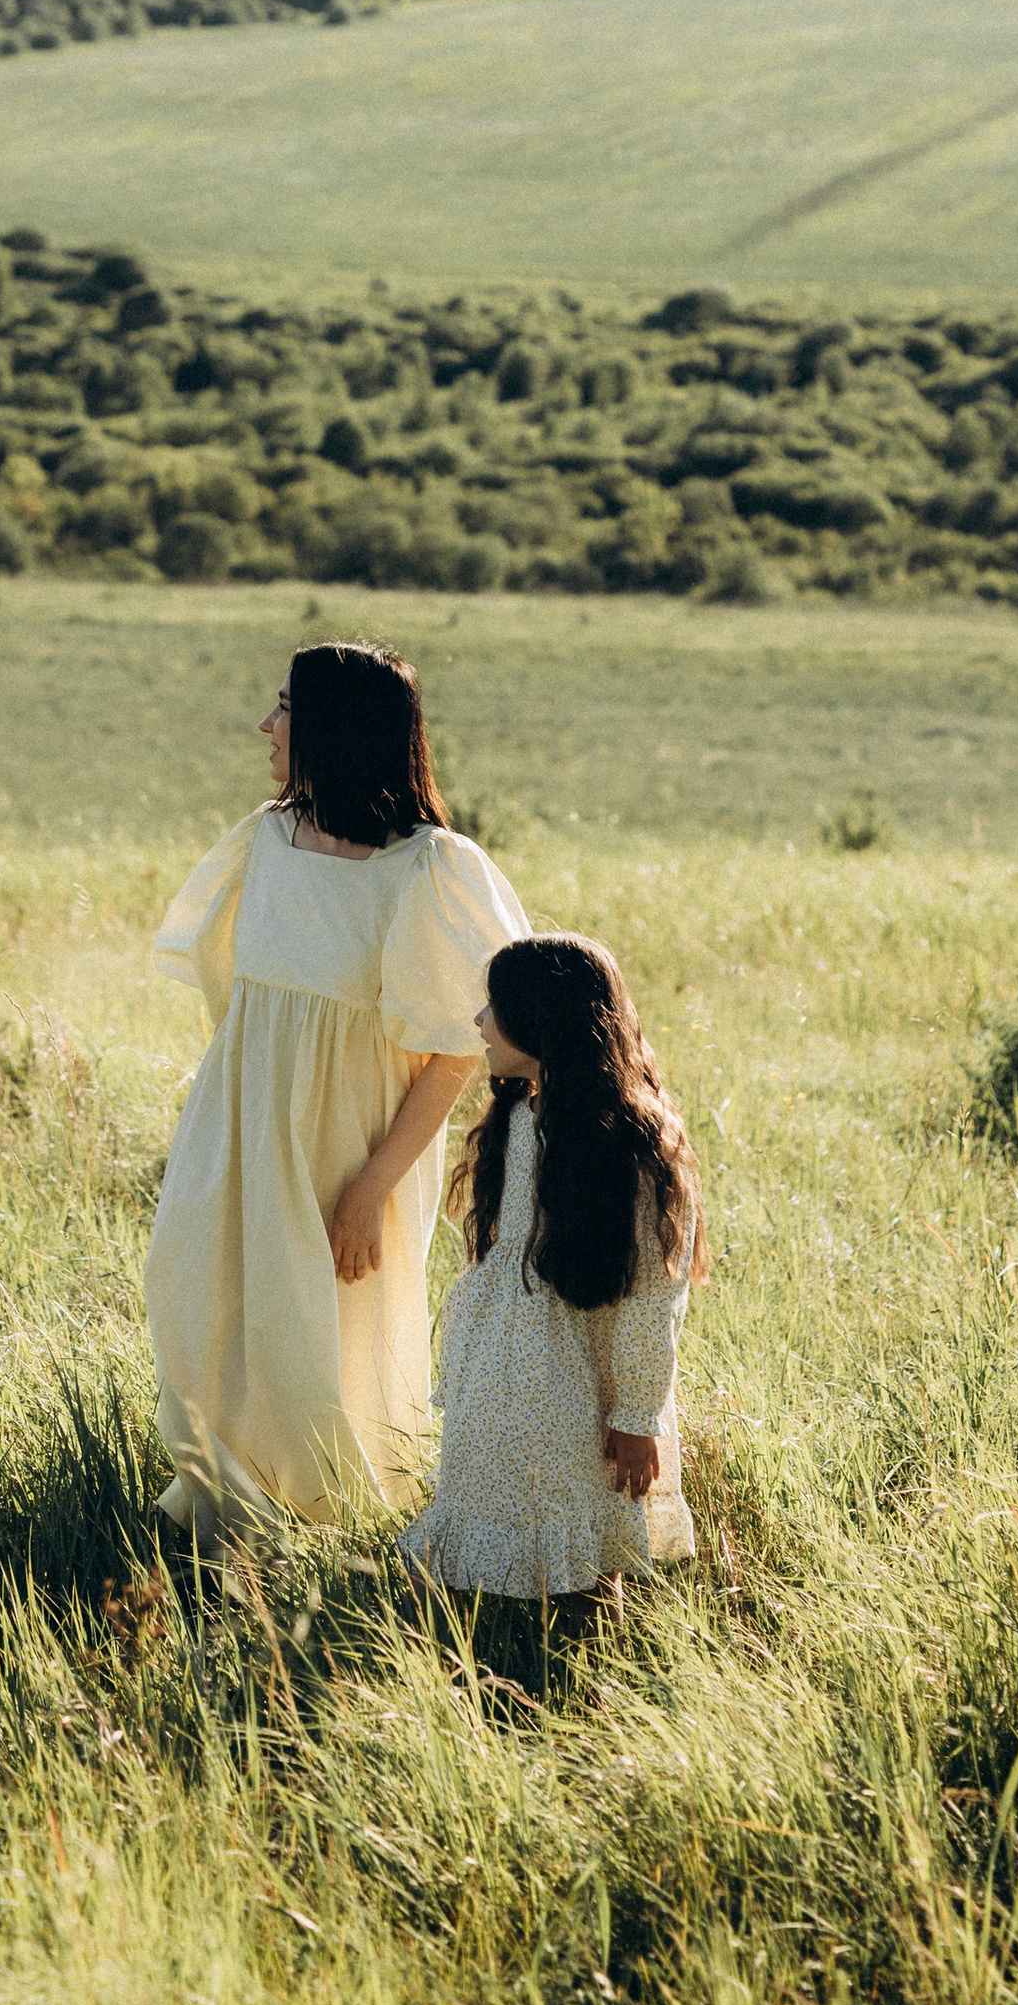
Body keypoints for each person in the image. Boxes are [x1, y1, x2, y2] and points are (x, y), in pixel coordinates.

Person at [144, 638, 528, 1542]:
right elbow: (243, 994)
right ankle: (220, 1495)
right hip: (241, 1119)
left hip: (354, 1138)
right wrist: (243, 1104)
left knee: (321, 1327)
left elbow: (455, 1053)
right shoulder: (267, 838)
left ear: (338, 729)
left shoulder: (427, 868)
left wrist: (371, 1187)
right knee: (200, 1289)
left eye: (287, 707)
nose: (267, 725)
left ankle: (327, 1520)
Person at [400, 931, 703, 1607]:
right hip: (501, 1371)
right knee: (482, 1510)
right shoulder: (518, 1112)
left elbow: (654, 1296)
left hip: (575, 1381)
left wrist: (635, 1415)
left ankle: (578, 1669)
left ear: (544, 1018)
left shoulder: (629, 1141)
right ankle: (475, 1659)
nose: (480, 1023)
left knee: (580, 1537)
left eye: (495, 1007)